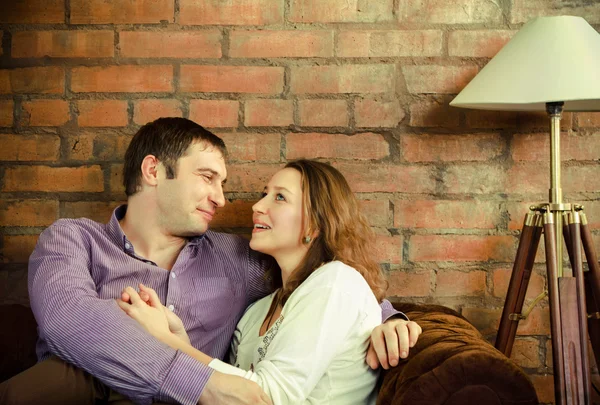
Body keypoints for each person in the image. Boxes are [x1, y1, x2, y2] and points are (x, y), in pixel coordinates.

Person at [0, 118, 419, 405]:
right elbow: (68, 319)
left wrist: (389, 319)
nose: (221, 198)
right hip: (93, 388)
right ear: (153, 171)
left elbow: (317, 284)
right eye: (207, 178)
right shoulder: (74, 239)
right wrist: (203, 384)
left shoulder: (239, 259)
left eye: (223, 183)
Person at [117, 159, 422, 404]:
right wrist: (179, 339)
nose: (257, 206)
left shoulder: (335, 282)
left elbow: (271, 397)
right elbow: (230, 392)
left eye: (279, 197)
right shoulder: (257, 312)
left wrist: (165, 341)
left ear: (315, 223)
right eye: (265, 194)